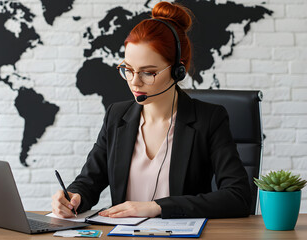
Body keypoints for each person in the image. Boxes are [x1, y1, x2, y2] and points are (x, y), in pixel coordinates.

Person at [51, 1, 251, 219]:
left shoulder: (209, 119)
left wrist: (158, 207)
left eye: (148, 72)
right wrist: (73, 195)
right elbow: (89, 181)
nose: (134, 82)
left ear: (178, 71)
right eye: (128, 69)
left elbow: (237, 197)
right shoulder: (117, 117)